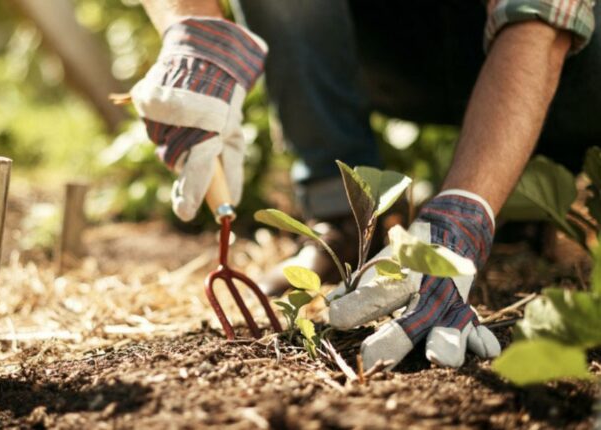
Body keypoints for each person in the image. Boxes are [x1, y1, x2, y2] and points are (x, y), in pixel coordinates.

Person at [128, 0, 598, 370]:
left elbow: (542, 24)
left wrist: (464, 215)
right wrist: (193, 26)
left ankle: (523, 198)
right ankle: (344, 218)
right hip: (396, 45)